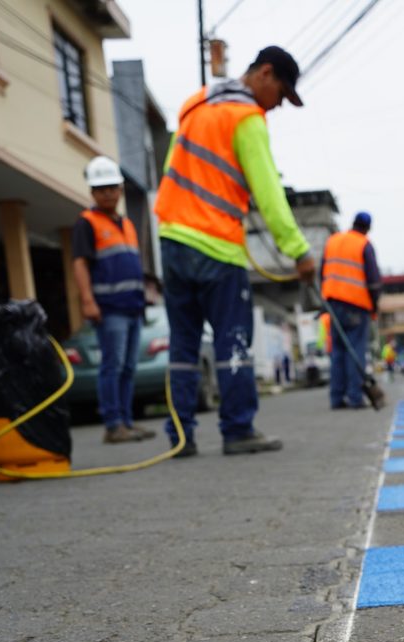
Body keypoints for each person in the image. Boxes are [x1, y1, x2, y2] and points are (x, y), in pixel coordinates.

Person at [153, 46, 316, 457]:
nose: (277, 106)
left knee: (183, 345)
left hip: (172, 238)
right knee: (234, 340)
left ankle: (180, 437)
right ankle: (238, 429)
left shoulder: (197, 103)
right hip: (216, 247)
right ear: (264, 73)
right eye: (280, 94)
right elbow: (269, 193)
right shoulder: (246, 118)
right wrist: (298, 250)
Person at [71, 156, 152, 444]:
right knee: (112, 366)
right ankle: (113, 424)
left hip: (132, 308)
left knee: (128, 367)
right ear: (93, 192)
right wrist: (88, 301)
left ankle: (127, 422)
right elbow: (80, 263)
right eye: (101, 188)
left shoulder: (127, 224)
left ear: (120, 189)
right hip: (109, 309)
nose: (108, 193)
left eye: (112, 187)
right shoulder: (87, 223)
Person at [321, 211, 382, 410]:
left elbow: (323, 271)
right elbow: (373, 280)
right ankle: (355, 397)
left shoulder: (333, 240)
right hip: (356, 304)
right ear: (367, 228)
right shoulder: (364, 244)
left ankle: (336, 398)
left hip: (333, 303)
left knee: (338, 351)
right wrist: (374, 305)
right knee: (355, 350)